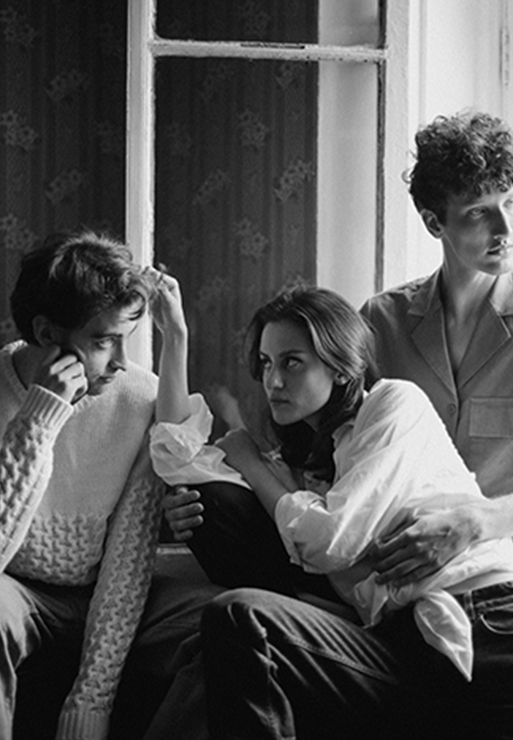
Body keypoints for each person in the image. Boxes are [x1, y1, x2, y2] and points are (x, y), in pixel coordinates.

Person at [148, 276, 513, 739]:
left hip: (485, 613)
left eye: (292, 362)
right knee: (238, 616)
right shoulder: (310, 464)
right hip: (403, 643)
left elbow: (332, 539)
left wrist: (253, 465)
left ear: (341, 369)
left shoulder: (394, 404)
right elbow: (179, 460)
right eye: (266, 363)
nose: (273, 381)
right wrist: (175, 336)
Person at [0, 231, 217, 740]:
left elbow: (128, 559)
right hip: (15, 590)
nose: (120, 361)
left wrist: (89, 705)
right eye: (103, 341)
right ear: (47, 333)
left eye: (126, 338)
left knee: (230, 620)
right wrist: (41, 417)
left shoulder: (138, 397)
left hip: (104, 590)